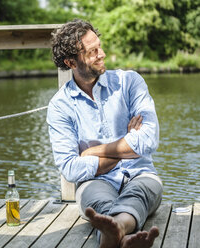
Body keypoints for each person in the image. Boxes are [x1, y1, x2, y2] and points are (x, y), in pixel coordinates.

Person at [47, 18, 163, 248]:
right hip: (95, 181)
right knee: (98, 202)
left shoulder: (130, 82)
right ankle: (121, 232)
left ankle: (113, 233)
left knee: (140, 191)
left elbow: (149, 139)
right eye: (92, 52)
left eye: (99, 46)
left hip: (140, 174)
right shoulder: (60, 106)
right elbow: (69, 167)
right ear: (71, 62)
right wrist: (127, 147)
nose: (102, 54)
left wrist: (92, 152)